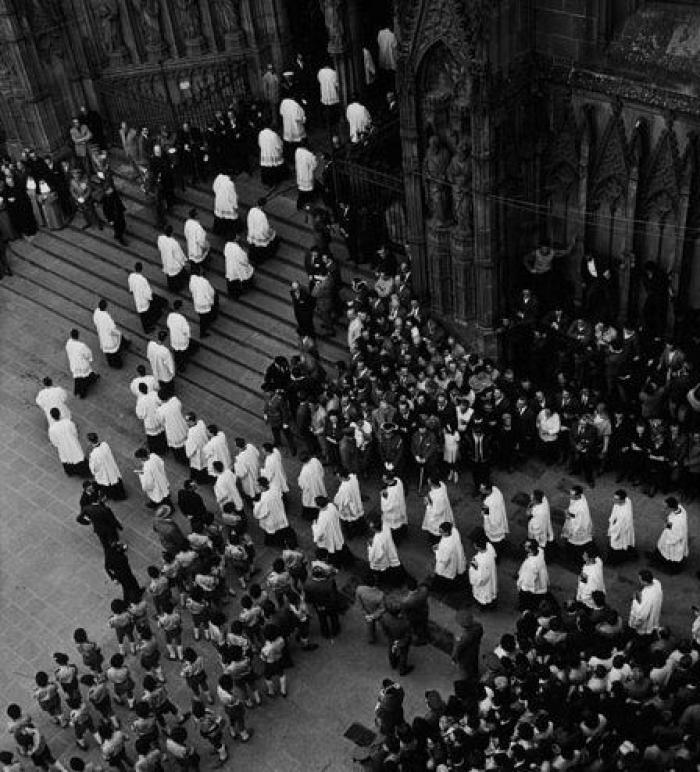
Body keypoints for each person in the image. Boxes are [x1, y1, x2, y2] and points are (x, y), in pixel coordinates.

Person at [651, 496, 689, 573]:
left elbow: (676, 535)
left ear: (671, 508)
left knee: (669, 552)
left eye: (665, 507)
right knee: (661, 548)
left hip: (673, 540)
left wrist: (666, 523)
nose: (663, 508)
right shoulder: (679, 508)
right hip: (671, 532)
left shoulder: (678, 521)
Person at [304, 564, 342, 639]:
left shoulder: (308, 584)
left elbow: (308, 599)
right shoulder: (330, 582)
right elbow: (334, 596)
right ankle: (335, 630)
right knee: (334, 617)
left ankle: (325, 633)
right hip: (330, 605)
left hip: (318, 605)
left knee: (322, 619)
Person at [48, 408, 89, 477]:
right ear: (60, 414)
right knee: (77, 455)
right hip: (72, 442)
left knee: (67, 458)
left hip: (63, 447)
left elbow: (54, 441)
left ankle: (72, 472)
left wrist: (58, 445)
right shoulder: (68, 422)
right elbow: (74, 432)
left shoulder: (52, 429)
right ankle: (83, 473)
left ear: (52, 417)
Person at [88, 432, 126, 500]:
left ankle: (113, 496)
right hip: (111, 467)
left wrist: (93, 471)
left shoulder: (93, 454)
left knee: (107, 482)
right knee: (115, 479)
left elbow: (94, 467)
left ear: (90, 442)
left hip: (105, 472)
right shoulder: (105, 445)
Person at [253, 476, 290, 546]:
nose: (257, 487)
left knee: (271, 532)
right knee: (280, 529)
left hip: (271, 518)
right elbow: (280, 495)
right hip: (278, 512)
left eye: (258, 485)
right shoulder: (274, 488)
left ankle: (272, 543)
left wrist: (256, 505)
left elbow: (260, 512)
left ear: (261, 486)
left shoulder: (264, 498)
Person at [432, 521, 467, 593]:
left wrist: (436, 551)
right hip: (452, 559)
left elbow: (444, 560)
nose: (439, 532)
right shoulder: (453, 533)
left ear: (447, 532)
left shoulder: (447, 545)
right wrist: (439, 546)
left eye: (441, 531)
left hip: (446, 565)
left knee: (444, 578)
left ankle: (445, 590)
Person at [93, 299, 129, 368]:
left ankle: (111, 363)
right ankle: (118, 364)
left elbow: (95, 322)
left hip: (102, 334)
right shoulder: (106, 316)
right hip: (109, 335)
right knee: (116, 344)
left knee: (108, 351)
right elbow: (112, 327)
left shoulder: (96, 312)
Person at [128, 263, 164, 333]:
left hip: (137, 298)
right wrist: (150, 298)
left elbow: (131, 289)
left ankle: (146, 327)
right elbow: (147, 292)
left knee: (142, 314)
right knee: (146, 313)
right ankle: (147, 328)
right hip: (143, 299)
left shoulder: (131, 276)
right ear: (141, 269)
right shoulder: (143, 280)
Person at [561, 485, 593, 564]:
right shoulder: (581, 497)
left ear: (578, 495)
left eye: (572, 495)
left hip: (577, 526)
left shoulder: (579, 508)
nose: (570, 496)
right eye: (570, 494)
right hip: (580, 521)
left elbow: (576, 520)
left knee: (575, 544)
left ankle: (576, 557)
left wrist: (567, 515)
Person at [311, 496, 347, 566]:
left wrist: (314, 526)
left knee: (329, 547)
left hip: (328, 534)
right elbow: (337, 515)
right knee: (337, 543)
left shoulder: (322, 517)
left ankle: (332, 561)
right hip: (335, 528)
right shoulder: (331, 506)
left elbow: (319, 532)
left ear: (318, 506)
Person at [380, 600, 413, 676]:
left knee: (392, 650)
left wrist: (389, 637)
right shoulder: (405, 622)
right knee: (403, 654)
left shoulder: (385, 618)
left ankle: (393, 664)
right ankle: (402, 669)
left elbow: (384, 630)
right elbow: (408, 635)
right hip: (401, 641)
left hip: (392, 638)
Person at [628, 569, 663, 638]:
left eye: (640, 579)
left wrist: (634, 624)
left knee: (642, 637)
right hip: (655, 615)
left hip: (645, 625)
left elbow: (642, 615)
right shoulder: (657, 583)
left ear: (645, 582)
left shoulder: (646, 597)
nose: (639, 581)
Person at [65, 329, 99, 398]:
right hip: (82, 364)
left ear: (71, 335)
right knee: (84, 377)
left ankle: (77, 391)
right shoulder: (81, 346)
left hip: (74, 364)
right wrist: (90, 359)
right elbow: (88, 353)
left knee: (78, 378)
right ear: (78, 336)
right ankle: (82, 393)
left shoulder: (68, 343)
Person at [156, 393, 189, 463]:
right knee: (186, 440)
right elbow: (180, 407)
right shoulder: (175, 400)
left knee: (177, 446)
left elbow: (160, 420)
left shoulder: (160, 410)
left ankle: (181, 459)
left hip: (171, 428)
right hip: (181, 423)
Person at [517, 539, 549, 610]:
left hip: (533, 587)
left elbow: (528, 580)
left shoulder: (531, 564)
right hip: (541, 582)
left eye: (526, 546)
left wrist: (520, 585)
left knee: (527, 601)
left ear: (530, 550)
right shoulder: (540, 552)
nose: (524, 547)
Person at [452, 610, 483, 682]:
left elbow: (457, 648)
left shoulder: (463, 636)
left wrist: (454, 658)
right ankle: (475, 675)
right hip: (475, 650)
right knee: (474, 663)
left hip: (464, 656)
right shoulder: (478, 626)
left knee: (465, 670)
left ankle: (469, 681)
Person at [468, 532, 498, 609]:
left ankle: (484, 606)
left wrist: (473, 570)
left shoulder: (478, 559)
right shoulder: (489, 547)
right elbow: (494, 555)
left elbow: (481, 578)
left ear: (476, 547)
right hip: (490, 575)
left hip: (483, 584)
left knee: (483, 596)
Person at [333, 467, 365, 537]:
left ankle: (350, 534)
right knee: (359, 518)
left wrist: (335, 502)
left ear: (340, 476)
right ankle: (361, 531)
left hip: (350, 506)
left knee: (348, 521)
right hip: (356, 501)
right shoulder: (353, 478)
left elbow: (340, 500)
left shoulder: (343, 488)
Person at [421, 475, 454, 545]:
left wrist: (427, 504)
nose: (428, 483)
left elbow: (436, 512)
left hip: (437, 517)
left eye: (429, 482)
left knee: (435, 531)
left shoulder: (435, 496)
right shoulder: (442, 485)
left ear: (432, 483)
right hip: (444, 512)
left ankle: (435, 542)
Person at [480, 482, 509, 557]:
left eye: (482, 489)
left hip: (493, 525)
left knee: (494, 542)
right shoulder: (496, 490)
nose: (480, 489)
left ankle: (496, 555)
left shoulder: (487, 502)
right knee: (500, 539)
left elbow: (485, 516)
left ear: (487, 490)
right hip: (500, 520)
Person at [607, 488, 636, 564]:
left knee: (617, 544)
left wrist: (612, 532)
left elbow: (619, 526)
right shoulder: (627, 501)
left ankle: (616, 560)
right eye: (614, 498)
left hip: (620, 531)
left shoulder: (624, 513)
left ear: (622, 500)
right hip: (621, 526)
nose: (614, 500)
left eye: (616, 499)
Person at [189, 265, 218, 338]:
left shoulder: (192, 280)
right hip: (204, 302)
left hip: (197, 302)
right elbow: (211, 292)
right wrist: (212, 299)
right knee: (204, 319)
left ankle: (205, 327)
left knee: (202, 316)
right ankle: (202, 333)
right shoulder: (204, 282)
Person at [157, 224, 189, 291]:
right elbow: (178, 255)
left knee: (170, 276)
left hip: (166, 261)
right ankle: (179, 287)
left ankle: (172, 288)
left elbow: (160, 248)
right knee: (177, 275)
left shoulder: (160, 239)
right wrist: (183, 261)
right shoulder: (174, 243)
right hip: (173, 263)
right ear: (172, 232)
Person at [246, 197, 278, 263]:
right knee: (272, 237)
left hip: (252, 233)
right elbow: (264, 228)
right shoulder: (262, 215)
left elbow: (249, 221)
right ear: (264, 205)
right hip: (260, 235)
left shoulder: (252, 210)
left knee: (254, 245)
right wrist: (269, 232)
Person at [356, 574, 385, 644]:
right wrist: (373, 616)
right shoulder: (380, 594)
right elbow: (382, 608)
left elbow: (359, 603)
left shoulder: (359, 589)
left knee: (370, 626)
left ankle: (371, 639)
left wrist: (365, 614)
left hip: (366, 612)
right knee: (382, 622)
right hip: (376, 613)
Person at [167, 300, 195, 372]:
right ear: (180, 308)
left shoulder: (170, 316)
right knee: (183, 353)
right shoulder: (182, 319)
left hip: (174, 339)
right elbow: (186, 331)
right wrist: (188, 336)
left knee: (176, 353)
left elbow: (168, 326)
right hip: (182, 340)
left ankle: (178, 365)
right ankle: (183, 365)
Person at [297, 451, 326, 520]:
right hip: (319, 484)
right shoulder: (315, 461)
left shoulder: (304, 471)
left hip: (311, 490)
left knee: (310, 502)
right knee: (320, 496)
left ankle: (311, 516)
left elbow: (302, 485)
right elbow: (321, 471)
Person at [381, 471, 407, 544]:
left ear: (388, 479)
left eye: (384, 478)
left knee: (393, 528)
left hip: (393, 513)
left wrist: (383, 496)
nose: (382, 479)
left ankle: (395, 541)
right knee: (399, 524)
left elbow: (387, 506)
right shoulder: (398, 480)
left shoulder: (390, 491)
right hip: (400, 508)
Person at [146, 330, 176, 397]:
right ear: (165, 339)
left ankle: (164, 392)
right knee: (169, 385)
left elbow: (148, 356)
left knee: (161, 383)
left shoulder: (150, 344)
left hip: (155, 370)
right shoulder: (165, 351)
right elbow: (170, 364)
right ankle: (170, 394)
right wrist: (172, 373)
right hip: (165, 373)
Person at [212, 172, 240, 239]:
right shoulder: (230, 184)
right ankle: (230, 233)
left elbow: (214, 187)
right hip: (227, 203)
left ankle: (220, 231)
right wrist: (235, 206)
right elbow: (232, 196)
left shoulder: (219, 177)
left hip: (218, 200)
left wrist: (219, 194)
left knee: (221, 216)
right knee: (230, 217)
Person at [279, 95, 306, 161]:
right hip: (296, 129)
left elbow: (281, 113)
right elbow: (300, 118)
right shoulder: (296, 106)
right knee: (297, 144)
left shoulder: (284, 102)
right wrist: (304, 119)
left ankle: (289, 158)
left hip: (287, 127)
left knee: (288, 143)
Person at [526, 489, 554, 553]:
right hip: (544, 523)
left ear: (535, 500)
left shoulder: (537, 512)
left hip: (538, 529)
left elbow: (528, 513)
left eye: (532, 496)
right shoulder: (544, 499)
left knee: (538, 541)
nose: (530, 496)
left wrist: (530, 506)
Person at [294, 140, 317, 211]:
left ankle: (299, 206)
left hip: (300, 175)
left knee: (301, 193)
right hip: (307, 176)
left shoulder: (297, 151)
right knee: (308, 194)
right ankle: (309, 207)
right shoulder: (309, 155)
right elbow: (314, 165)